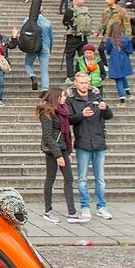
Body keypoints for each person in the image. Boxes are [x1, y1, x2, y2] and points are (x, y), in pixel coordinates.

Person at [66, 72, 114, 220]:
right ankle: (85, 206)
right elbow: (69, 120)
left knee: (100, 178)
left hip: (99, 141)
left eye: (86, 83)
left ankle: (101, 206)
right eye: (81, 83)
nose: (84, 85)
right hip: (83, 143)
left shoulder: (96, 96)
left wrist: (106, 108)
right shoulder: (71, 100)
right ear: (76, 83)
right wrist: (82, 115)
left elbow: (109, 116)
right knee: (82, 178)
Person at [36, 88, 87, 223]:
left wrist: (67, 152)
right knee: (51, 178)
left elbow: (66, 133)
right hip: (52, 150)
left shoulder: (63, 111)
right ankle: (48, 210)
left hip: (63, 147)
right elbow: (48, 136)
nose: (65, 98)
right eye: (62, 96)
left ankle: (72, 212)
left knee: (69, 178)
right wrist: (58, 155)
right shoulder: (47, 111)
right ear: (56, 98)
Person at [22, 5, 54, 93]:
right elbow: (51, 38)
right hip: (45, 47)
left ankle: (32, 76)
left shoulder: (27, 21)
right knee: (44, 70)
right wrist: (49, 49)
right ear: (42, 11)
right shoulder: (48, 22)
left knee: (28, 63)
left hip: (33, 46)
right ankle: (45, 89)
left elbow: (23, 34)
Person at [101, 22, 134, 103]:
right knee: (123, 75)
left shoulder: (110, 40)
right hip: (124, 58)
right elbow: (130, 50)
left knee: (118, 79)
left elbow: (108, 51)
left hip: (114, 60)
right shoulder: (126, 38)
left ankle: (122, 98)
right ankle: (127, 91)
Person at [62, 0, 92, 82]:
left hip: (72, 37)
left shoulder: (70, 11)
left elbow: (64, 22)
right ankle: (83, 75)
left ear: (74, 3)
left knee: (69, 57)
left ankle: (70, 76)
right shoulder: (86, 11)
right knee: (82, 57)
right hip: (83, 37)